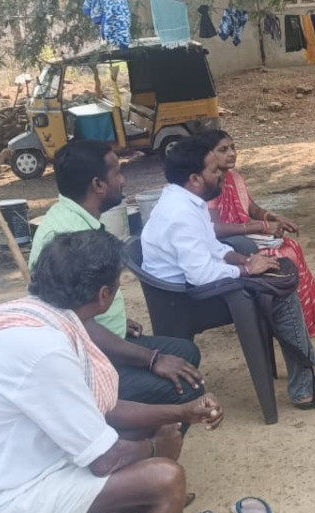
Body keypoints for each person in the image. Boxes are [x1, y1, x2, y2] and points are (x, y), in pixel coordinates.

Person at [0, 230, 224, 513]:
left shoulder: (35, 319)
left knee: (139, 434)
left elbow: (104, 410)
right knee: (165, 478)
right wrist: (156, 447)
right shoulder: (45, 349)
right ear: (104, 295)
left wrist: (183, 412)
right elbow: (105, 461)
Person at [141, 136, 315, 409]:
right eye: (214, 170)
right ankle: (305, 389)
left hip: (191, 289)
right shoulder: (180, 213)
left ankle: (308, 367)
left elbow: (213, 247)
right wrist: (246, 269)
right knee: (281, 294)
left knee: (277, 276)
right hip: (187, 300)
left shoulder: (185, 200)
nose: (221, 175)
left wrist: (247, 259)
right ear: (195, 178)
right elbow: (202, 274)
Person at [29, 140, 209, 418]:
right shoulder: (70, 239)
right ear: (98, 184)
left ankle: (141, 429)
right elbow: (75, 324)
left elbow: (77, 306)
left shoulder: (71, 219)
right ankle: (139, 439)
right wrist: (153, 359)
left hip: (95, 344)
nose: (123, 180)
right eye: (117, 173)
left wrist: (115, 320)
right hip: (84, 364)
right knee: (183, 384)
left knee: (184, 352)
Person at [203, 130, 315, 337]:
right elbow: (214, 229)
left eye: (233, 147)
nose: (232, 153)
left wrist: (274, 218)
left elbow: (252, 209)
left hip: (243, 238)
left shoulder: (235, 178)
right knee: (283, 256)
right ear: (208, 155)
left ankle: (303, 319)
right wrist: (261, 227)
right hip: (226, 246)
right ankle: (284, 321)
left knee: (292, 246)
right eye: (223, 150)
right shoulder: (209, 184)